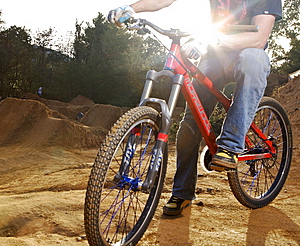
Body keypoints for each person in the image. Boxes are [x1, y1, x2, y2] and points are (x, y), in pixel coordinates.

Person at [108, 0, 282, 216]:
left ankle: (230, 145)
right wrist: (131, 8)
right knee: (190, 126)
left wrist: (214, 40)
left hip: (248, 52)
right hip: (215, 57)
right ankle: (182, 192)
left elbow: (258, 38)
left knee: (252, 61)